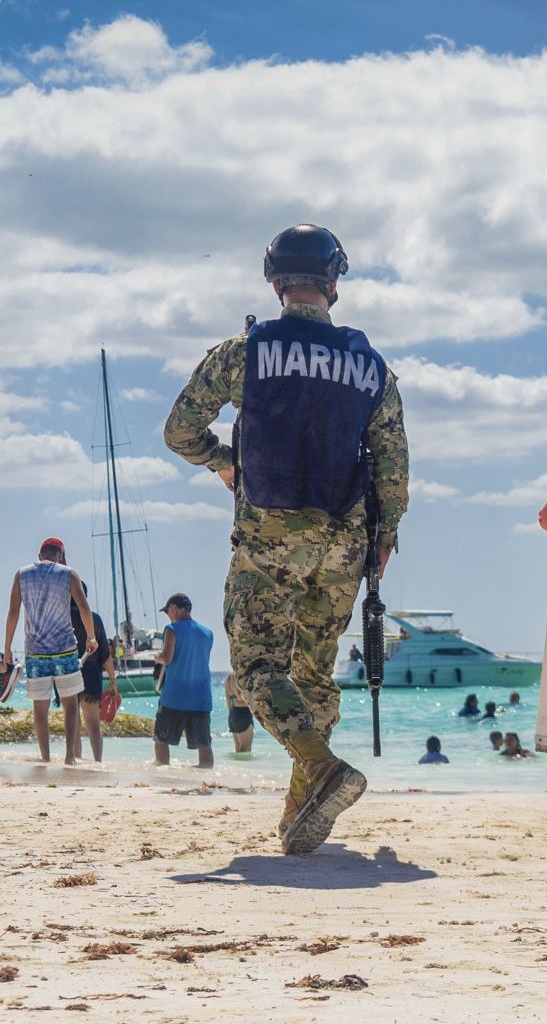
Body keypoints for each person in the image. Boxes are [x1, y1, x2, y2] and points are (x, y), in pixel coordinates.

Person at [164, 224, 409, 855]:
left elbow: (179, 429)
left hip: (270, 533)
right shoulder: (369, 364)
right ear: (334, 283)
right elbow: (391, 464)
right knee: (314, 673)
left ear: (275, 284)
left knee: (255, 667)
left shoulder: (245, 351)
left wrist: (224, 461)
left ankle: (321, 770)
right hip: (345, 538)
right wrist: (385, 537)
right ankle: (303, 810)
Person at [3, 538, 98, 765]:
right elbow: (84, 608)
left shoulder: (21, 575)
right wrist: (91, 637)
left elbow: (13, 613)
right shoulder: (69, 574)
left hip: (35, 651)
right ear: (61, 555)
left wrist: (7, 647)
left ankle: (45, 757)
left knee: (40, 707)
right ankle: (69, 756)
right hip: (65, 648)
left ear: (40, 554)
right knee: (70, 704)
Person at [152, 595, 214, 769]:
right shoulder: (208, 633)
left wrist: (157, 657)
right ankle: (207, 777)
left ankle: (162, 773)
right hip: (201, 698)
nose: (168, 616)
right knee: (204, 744)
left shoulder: (172, 629)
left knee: (161, 740)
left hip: (175, 696)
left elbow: (167, 657)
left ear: (174, 608)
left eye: (168, 612)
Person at [71, 600, 115, 762]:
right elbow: (105, 653)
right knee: (93, 724)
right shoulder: (94, 618)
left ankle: (75, 758)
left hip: (67, 672)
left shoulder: (62, 617)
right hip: (91, 673)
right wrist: (113, 680)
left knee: (72, 721)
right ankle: (98, 761)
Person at [226, 674, 255, 756]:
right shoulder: (239, 677)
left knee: (238, 748)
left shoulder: (228, 678)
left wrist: (231, 713)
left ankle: (237, 767)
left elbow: (228, 698)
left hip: (233, 713)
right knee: (245, 749)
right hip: (243, 714)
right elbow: (240, 698)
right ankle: (244, 768)